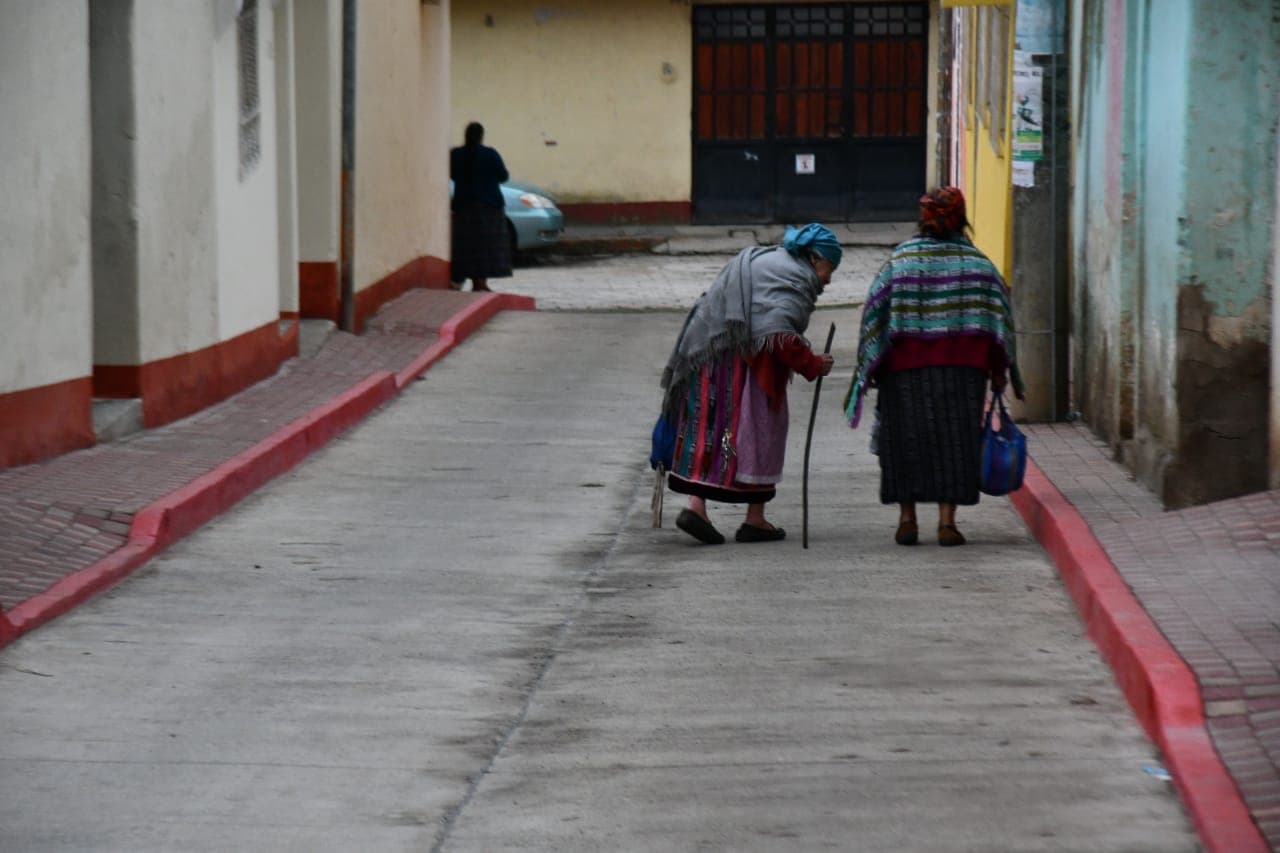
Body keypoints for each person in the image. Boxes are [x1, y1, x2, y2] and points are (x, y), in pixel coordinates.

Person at [843, 186, 1025, 547]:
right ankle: (947, 523)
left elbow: (875, 317)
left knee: (905, 442)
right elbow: (998, 322)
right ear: (961, 219)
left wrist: (874, 366)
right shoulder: (980, 266)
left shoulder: (900, 262)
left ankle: (907, 518)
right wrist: (999, 370)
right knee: (955, 443)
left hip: (904, 370)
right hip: (963, 372)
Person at [659, 224, 839, 545]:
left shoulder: (771, 260)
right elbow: (779, 335)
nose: (828, 279)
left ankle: (699, 508)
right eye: (829, 268)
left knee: (712, 432)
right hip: (744, 368)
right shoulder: (793, 278)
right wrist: (813, 363)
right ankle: (753, 518)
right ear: (814, 259)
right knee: (758, 432)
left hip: (709, 355)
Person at [450, 122, 511, 292]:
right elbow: (503, 175)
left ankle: (461, 279)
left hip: (463, 206)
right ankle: (480, 283)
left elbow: (451, 174)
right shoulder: (490, 154)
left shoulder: (456, 154)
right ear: (481, 136)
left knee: (467, 246)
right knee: (486, 248)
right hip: (489, 207)